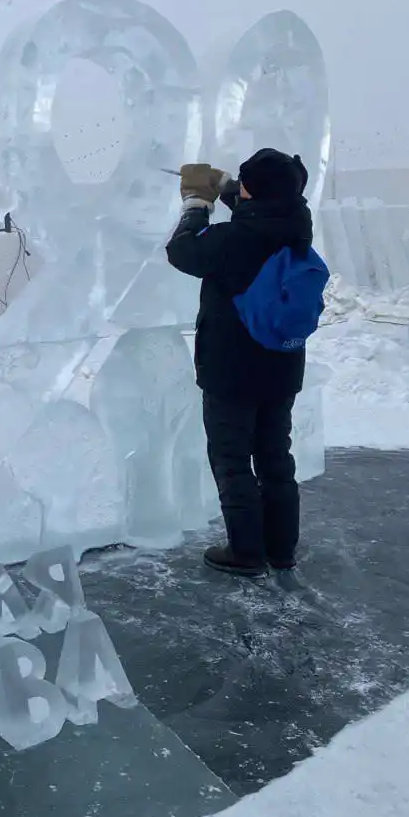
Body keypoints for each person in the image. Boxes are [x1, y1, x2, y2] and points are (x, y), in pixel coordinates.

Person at [166, 148, 317, 576]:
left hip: (231, 369)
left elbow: (181, 251)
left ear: (256, 192)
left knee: (232, 460)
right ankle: (281, 549)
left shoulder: (233, 240)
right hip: (281, 365)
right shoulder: (296, 224)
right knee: (274, 457)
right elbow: (269, 206)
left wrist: (197, 204)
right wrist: (233, 189)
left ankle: (246, 552)